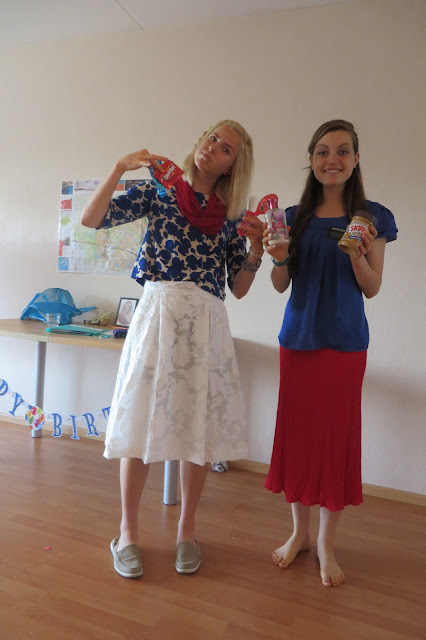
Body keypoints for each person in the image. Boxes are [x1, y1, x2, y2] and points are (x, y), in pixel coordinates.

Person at [81, 119, 264, 578]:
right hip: (159, 313)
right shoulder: (159, 191)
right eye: (212, 138)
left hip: (206, 322)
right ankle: (127, 532)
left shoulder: (230, 217)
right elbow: (91, 219)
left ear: (232, 166)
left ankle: (187, 530)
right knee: (139, 420)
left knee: (196, 430)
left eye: (226, 149)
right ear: (200, 141)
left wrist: (257, 248)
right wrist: (119, 167)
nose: (214, 148)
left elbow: (239, 286)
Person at [263, 119, 397, 587]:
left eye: (342, 151)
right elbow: (280, 284)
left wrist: (357, 253)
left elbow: (372, 287)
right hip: (297, 339)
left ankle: (325, 542)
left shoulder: (373, 216)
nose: (332, 159)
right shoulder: (292, 216)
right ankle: (299, 534)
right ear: (311, 159)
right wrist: (277, 256)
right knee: (299, 438)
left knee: (335, 441)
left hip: (345, 343)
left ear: (356, 159)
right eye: (322, 151)